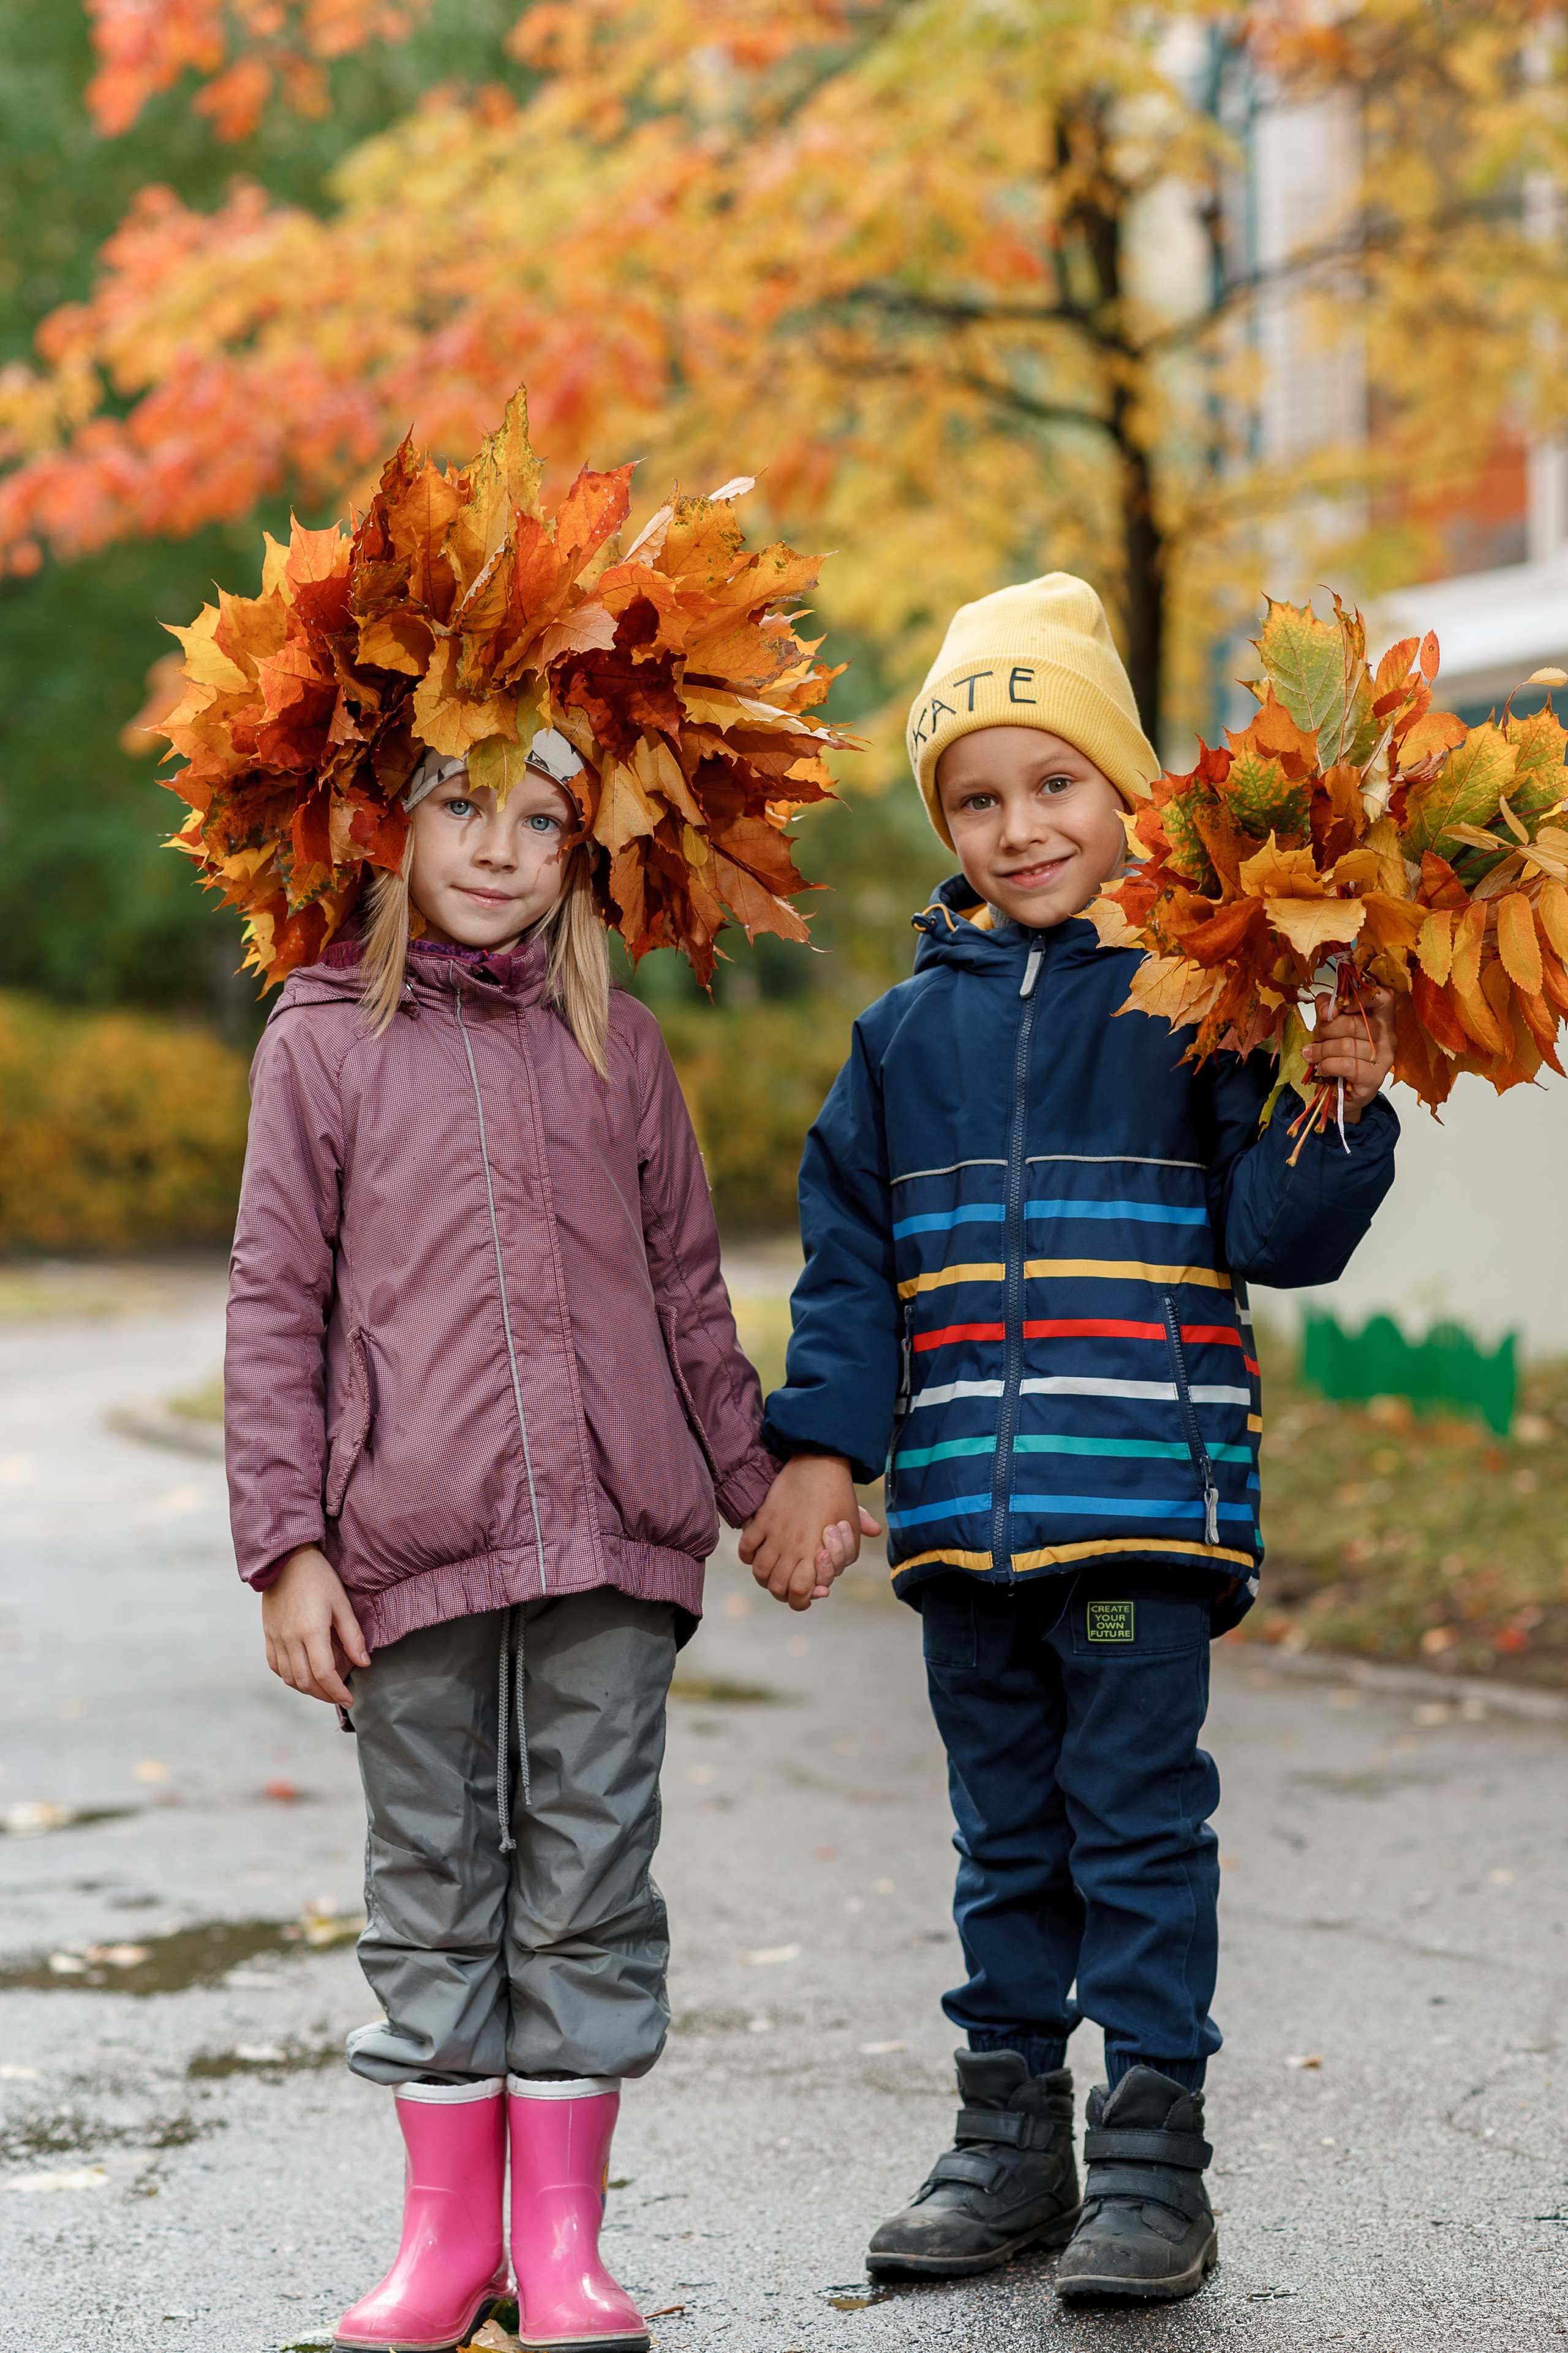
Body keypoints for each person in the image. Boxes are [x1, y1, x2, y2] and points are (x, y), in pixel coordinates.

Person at [738, 576, 1398, 2305]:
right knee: (1005, 1839)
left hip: (1139, 1506)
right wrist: (821, 1448)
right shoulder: (899, 1039)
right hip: (965, 1520)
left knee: (1133, 1828)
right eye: (977, 793)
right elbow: (852, 1263)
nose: (1018, 823)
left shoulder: (1203, 996)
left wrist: (1337, 1100)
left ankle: (1155, 2159)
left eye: (1056, 784)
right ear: (943, 817)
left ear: (1124, 797)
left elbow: (1274, 1231)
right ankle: (1011, 2139)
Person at [226, 732, 778, 2353]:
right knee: (434, 1871)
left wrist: (758, 1488)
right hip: (409, 1541)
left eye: (543, 820)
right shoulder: (325, 1043)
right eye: (463, 805)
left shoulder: (623, 1041)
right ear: (389, 824)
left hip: (614, 1539)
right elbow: (276, 1301)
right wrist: (286, 1544)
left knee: (592, 1866)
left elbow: (688, 1289)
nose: (500, 846)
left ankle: (562, 2241)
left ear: (583, 851)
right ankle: (445, 2235)